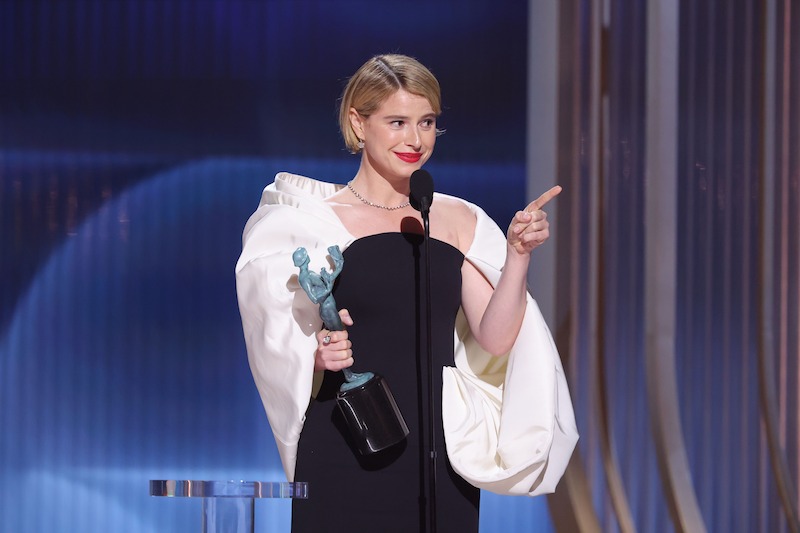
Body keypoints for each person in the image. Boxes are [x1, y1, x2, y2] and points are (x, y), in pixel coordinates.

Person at [235, 54, 578, 533]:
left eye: (427, 123)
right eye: (397, 122)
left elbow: (496, 339)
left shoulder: (456, 220)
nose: (415, 140)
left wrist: (518, 254)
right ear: (359, 121)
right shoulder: (310, 223)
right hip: (348, 437)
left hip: (439, 451)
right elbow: (277, 342)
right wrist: (315, 357)